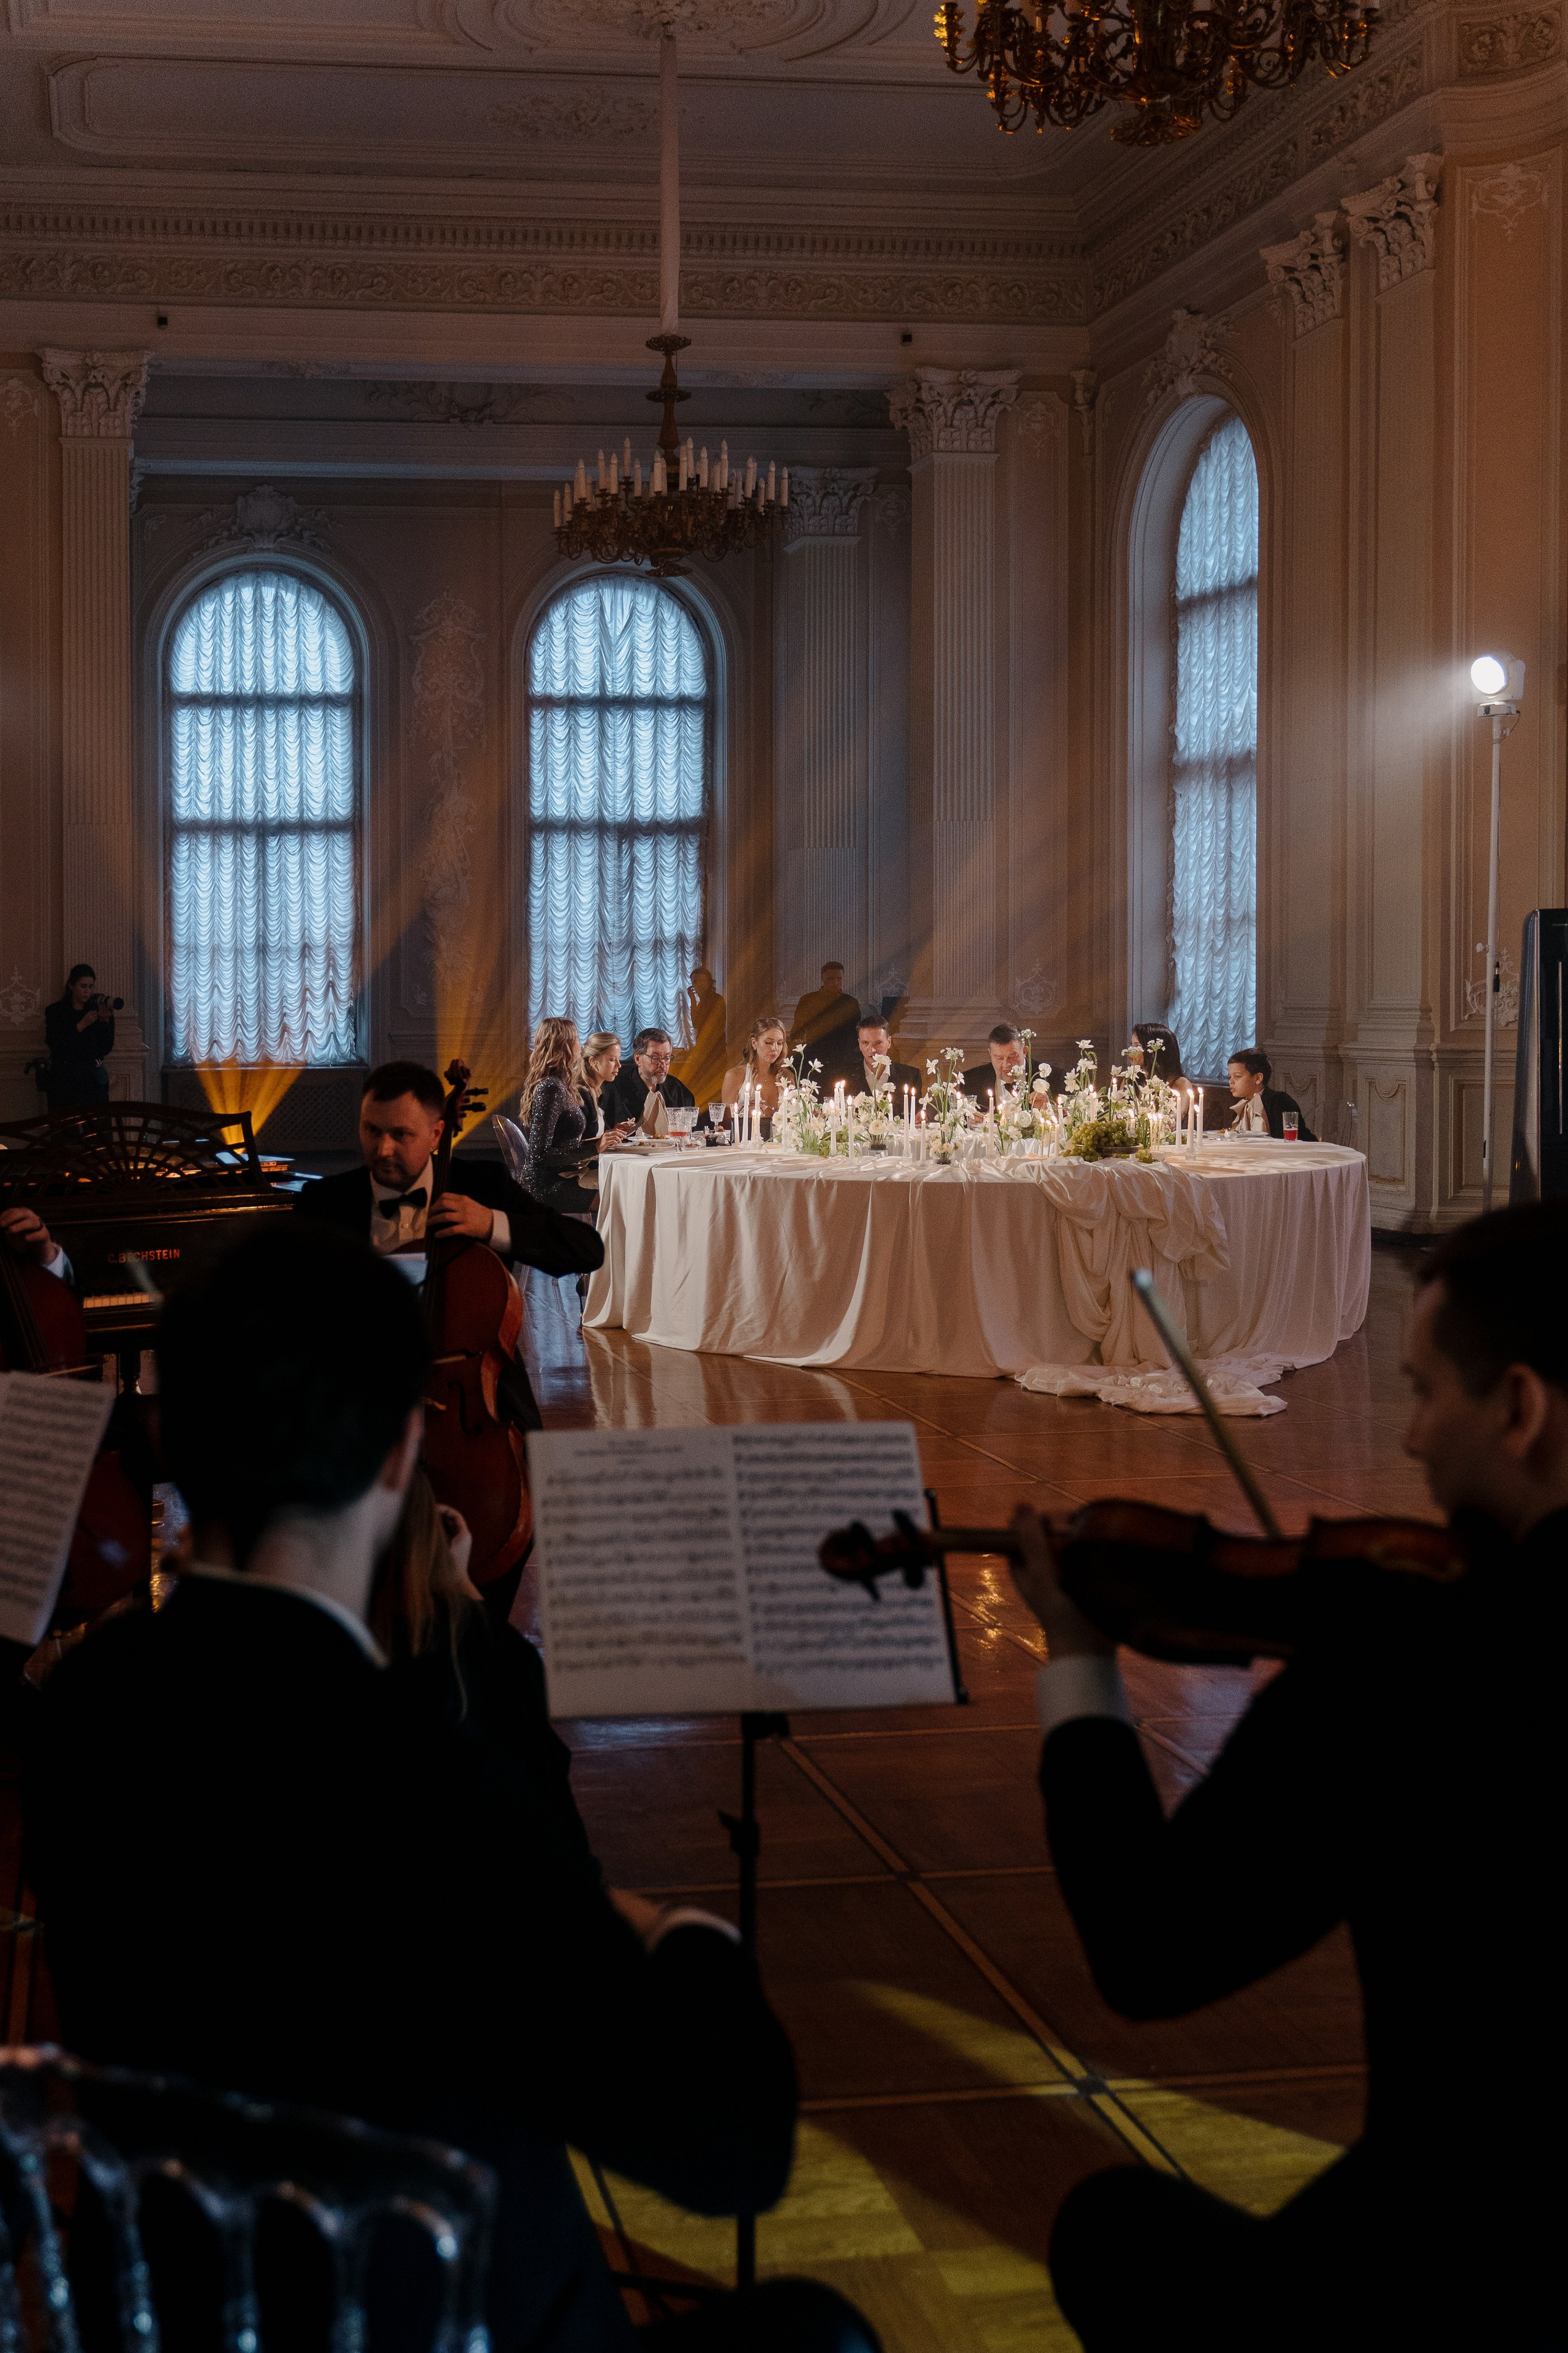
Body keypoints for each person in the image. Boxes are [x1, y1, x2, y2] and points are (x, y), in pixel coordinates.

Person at [24, 1226, 877, 2353]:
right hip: (432, 2319)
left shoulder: (82, 1703)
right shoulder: (426, 1766)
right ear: (400, 1456)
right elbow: (733, 2154)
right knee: (819, 2329)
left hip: (170, 2307)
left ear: (171, 1437)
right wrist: (676, 1932)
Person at [1009, 1199, 1567, 2352]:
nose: (1410, 1441)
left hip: (1467, 2251)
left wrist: (1077, 1656)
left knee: (1113, 2234)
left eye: (1424, 1393)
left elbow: (1152, 1948)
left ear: (1521, 1408)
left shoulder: (1416, 1661)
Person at [295, 1059, 603, 1283]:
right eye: (372, 1130)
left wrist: (491, 1223)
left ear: (436, 1134)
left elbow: (587, 1250)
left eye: (401, 1135)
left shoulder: (483, 1186)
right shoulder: (323, 1202)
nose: (383, 1150)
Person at [520, 1018, 628, 1215]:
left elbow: (565, 1144)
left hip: (564, 1175)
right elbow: (539, 1155)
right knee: (625, 1197)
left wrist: (600, 1142)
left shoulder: (561, 1084)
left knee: (626, 1187)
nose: (580, 1044)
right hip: (548, 1186)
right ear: (564, 1045)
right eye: (577, 1039)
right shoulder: (551, 1087)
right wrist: (595, 1148)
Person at [43, 965, 115, 1111]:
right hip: (64, 1078)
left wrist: (104, 1022)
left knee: (98, 1121)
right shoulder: (56, 1012)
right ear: (72, 986)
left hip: (92, 1077)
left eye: (91, 987)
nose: (87, 992)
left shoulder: (97, 1010)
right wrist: (82, 1025)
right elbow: (57, 1045)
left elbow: (105, 1048)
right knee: (65, 1122)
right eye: (83, 986)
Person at [601, 1029, 696, 1136]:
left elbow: (690, 1136)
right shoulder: (614, 1090)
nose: (663, 1065)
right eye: (655, 1058)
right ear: (638, 1059)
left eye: (667, 1058)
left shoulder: (678, 1090)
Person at [790, 964, 861, 1087]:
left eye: (839, 979)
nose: (836, 983)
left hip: (842, 1060)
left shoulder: (851, 1003)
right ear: (823, 978)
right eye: (831, 979)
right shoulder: (808, 1001)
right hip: (814, 1059)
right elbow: (797, 1032)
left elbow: (856, 1034)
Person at [1226, 1047, 1316, 1140]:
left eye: (1237, 1076)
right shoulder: (1241, 1108)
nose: (1230, 1082)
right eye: (1230, 1077)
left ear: (1258, 1078)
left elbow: (1288, 1141)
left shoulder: (1279, 1101)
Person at [722, 1015, 790, 1126]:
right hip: (746, 1136)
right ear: (754, 1043)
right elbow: (724, 1123)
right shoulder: (735, 1075)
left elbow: (795, 1120)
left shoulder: (787, 1076)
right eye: (768, 1042)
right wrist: (744, 1112)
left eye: (779, 1043)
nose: (775, 1048)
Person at [678, 967, 729, 1106]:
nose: (698, 984)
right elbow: (696, 1023)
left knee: (714, 1089)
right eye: (695, 981)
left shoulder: (716, 1000)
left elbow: (702, 1024)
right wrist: (693, 1000)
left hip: (715, 1053)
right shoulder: (703, 1001)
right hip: (706, 1052)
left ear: (709, 982)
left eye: (702, 980)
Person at [848, 1015, 919, 1099]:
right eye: (865, 1043)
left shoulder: (910, 1077)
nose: (872, 1050)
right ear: (860, 1044)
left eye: (878, 1043)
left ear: (889, 1042)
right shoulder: (846, 1077)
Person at [962, 1024, 1029, 1101]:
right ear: (990, 1054)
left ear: (1025, 1052)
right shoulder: (971, 1081)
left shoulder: (1041, 1076)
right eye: (999, 1058)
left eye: (1012, 1057)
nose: (1006, 1065)